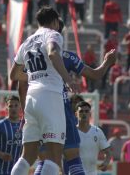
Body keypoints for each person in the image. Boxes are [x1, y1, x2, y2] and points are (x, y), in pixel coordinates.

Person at [31, 19, 116, 175]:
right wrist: (107, 63)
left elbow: (18, 79)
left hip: (39, 110)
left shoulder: (32, 57)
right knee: (72, 157)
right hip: (60, 110)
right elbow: (95, 74)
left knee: (44, 159)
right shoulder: (66, 57)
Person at [10, 6, 79, 175]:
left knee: (27, 156)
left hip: (31, 99)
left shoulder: (26, 42)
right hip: (50, 97)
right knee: (54, 158)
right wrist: (68, 79)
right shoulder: (53, 34)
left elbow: (14, 74)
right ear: (55, 21)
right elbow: (53, 53)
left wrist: (36, 76)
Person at [76, 101, 112, 174]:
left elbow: (108, 152)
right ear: (76, 114)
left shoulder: (97, 131)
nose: (84, 113)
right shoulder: (71, 132)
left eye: (86, 111)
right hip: (75, 173)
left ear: (90, 114)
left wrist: (106, 162)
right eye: (81, 111)